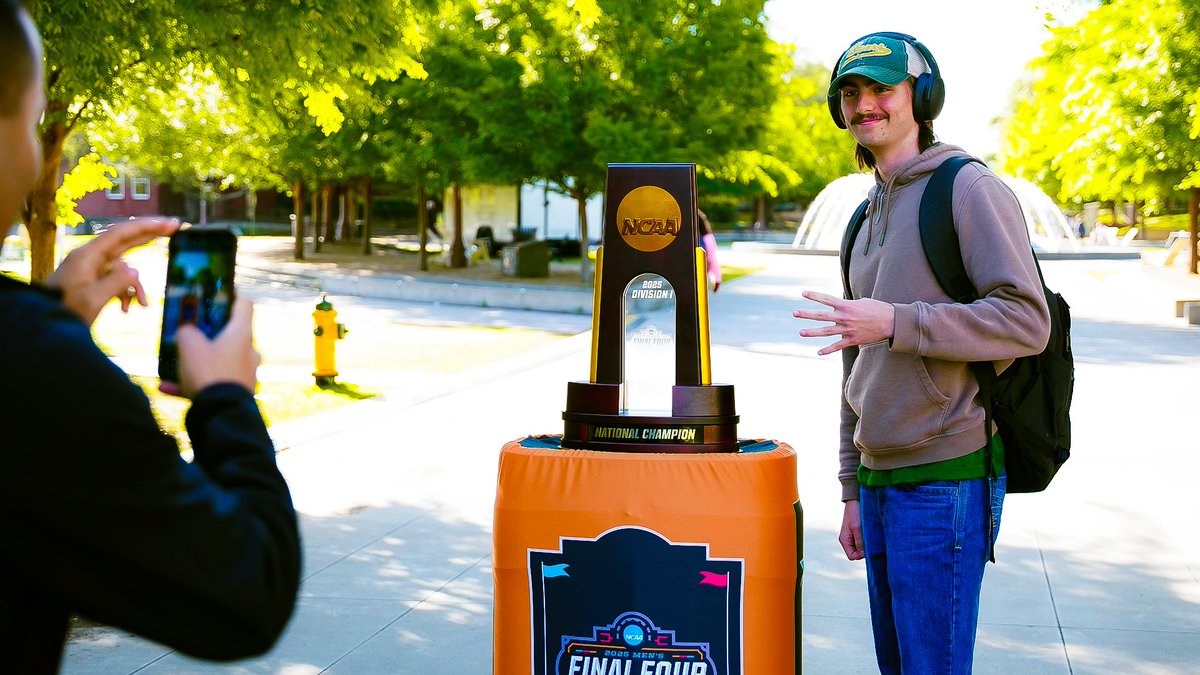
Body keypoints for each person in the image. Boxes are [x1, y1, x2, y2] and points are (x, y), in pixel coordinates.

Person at [0, 2, 300, 670]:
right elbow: (248, 586)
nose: (41, 149)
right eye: (35, 118)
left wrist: (48, 315)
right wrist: (225, 397)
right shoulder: (32, 372)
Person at [791, 32, 1050, 673]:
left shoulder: (967, 189)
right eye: (850, 92)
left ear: (921, 96)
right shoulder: (861, 216)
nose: (864, 104)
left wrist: (897, 321)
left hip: (946, 477)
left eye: (882, 88)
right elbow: (858, 364)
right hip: (880, 481)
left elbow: (1026, 320)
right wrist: (851, 486)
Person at [697, 209, 721, 292]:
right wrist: (717, 279)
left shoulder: (689, 238)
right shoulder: (708, 238)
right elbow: (713, 259)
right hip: (703, 273)